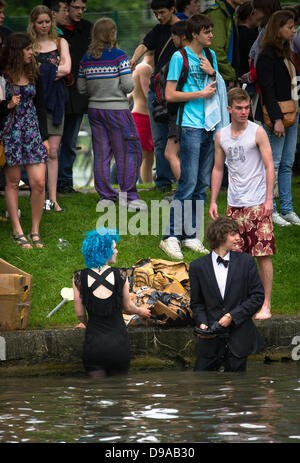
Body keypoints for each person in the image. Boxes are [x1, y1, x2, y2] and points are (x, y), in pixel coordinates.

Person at [159, 14, 229, 260]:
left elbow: (218, 90)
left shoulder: (210, 57)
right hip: (189, 126)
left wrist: (213, 73)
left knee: (201, 185)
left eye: (211, 30)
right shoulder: (179, 57)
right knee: (187, 183)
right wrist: (199, 93)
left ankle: (190, 235)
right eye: (207, 31)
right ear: (195, 34)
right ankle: (170, 237)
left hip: (211, 126)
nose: (211, 34)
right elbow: (169, 94)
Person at [209, 88, 275, 320]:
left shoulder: (258, 132)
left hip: (257, 203)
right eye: (239, 108)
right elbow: (218, 169)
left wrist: (269, 199)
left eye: (247, 108)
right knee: (235, 256)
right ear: (229, 109)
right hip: (234, 204)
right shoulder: (221, 135)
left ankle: (266, 303)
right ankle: (242, 304)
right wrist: (213, 200)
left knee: (262, 253)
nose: (244, 112)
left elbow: (269, 166)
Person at [77, 18, 145, 210]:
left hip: (95, 111)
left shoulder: (86, 58)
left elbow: (81, 88)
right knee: (128, 151)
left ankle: (105, 196)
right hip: (117, 110)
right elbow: (128, 85)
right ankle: (129, 197)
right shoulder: (119, 56)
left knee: (102, 153)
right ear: (112, 34)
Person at [73, 227, 151, 379]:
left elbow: (80, 313)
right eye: (114, 248)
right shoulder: (121, 274)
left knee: (96, 394)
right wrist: (140, 311)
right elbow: (127, 307)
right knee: (120, 392)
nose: (116, 251)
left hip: (94, 345)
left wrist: (88, 324)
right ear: (104, 250)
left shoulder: (79, 276)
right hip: (118, 345)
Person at [189, 216, 264, 372]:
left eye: (238, 233)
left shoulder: (247, 261)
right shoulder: (197, 266)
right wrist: (202, 322)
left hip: (238, 339)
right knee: (203, 386)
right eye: (233, 234)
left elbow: (257, 296)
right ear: (220, 236)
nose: (238, 238)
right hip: (210, 339)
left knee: (239, 390)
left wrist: (232, 316)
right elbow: (197, 303)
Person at [0, 32, 49, 249]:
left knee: (38, 182)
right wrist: (8, 105)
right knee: (12, 182)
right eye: (28, 49)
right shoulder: (2, 76)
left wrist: (45, 137)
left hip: (32, 132)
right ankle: (17, 230)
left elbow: (41, 107)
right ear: (16, 51)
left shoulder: (33, 73)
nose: (32, 52)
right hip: (11, 132)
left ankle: (35, 231)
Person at [256, 10, 300, 227]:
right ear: (278, 28)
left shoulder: (286, 51)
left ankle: (287, 209)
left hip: (292, 111)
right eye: (290, 27)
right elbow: (268, 89)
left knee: (287, 163)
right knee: (274, 162)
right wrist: (276, 119)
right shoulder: (266, 55)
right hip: (278, 115)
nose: (293, 30)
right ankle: (269, 208)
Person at [130, 0, 180, 193]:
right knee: (159, 139)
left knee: (179, 139)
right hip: (158, 90)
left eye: (162, 13)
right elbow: (144, 45)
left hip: (178, 90)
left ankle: (182, 181)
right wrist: (134, 59)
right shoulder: (158, 30)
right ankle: (162, 182)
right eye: (156, 14)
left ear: (172, 9)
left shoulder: (184, 28)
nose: (159, 17)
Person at [28, 5, 71, 213]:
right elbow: (28, 74)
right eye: (40, 22)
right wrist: (53, 71)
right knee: (37, 151)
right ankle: (39, 194)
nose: (44, 25)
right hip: (34, 104)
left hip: (56, 102)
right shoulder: (30, 45)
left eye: (47, 21)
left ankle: (53, 199)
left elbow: (67, 69)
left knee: (53, 151)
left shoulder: (61, 43)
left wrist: (43, 72)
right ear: (33, 24)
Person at [56, 0, 92, 194]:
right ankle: (47, 181)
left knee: (70, 141)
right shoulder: (54, 30)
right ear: (66, 7)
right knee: (52, 141)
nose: (80, 12)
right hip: (56, 92)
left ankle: (65, 181)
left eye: (83, 8)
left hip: (78, 93)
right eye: (76, 8)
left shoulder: (87, 28)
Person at [164, 20, 190, 183]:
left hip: (181, 113)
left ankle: (185, 188)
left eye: (174, 36)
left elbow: (171, 92)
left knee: (170, 153)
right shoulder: (201, 55)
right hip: (191, 112)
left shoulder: (179, 57)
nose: (172, 39)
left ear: (182, 36)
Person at [205, 0, 245, 89]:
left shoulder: (228, 14)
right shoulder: (217, 14)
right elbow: (216, 51)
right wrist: (230, 76)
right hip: (220, 80)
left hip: (224, 79)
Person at [130, 54, 155, 184]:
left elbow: (131, 93)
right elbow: (148, 94)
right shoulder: (146, 68)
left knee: (148, 157)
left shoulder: (138, 68)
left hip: (140, 115)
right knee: (146, 157)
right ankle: (147, 185)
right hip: (142, 116)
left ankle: (147, 185)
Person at [236, 1, 258, 78]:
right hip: (246, 76)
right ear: (251, 14)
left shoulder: (235, 31)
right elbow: (251, 59)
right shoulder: (251, 34)